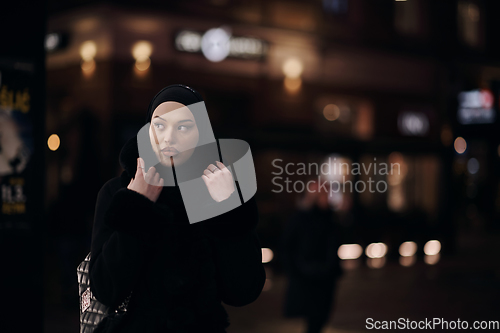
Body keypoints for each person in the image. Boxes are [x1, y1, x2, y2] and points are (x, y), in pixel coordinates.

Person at [89, 84, 266, 333]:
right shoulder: (119, 191)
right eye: (159, 125)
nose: (168, 137)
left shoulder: (219, 189)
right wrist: (137, 206)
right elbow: (105, 289)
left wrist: (227, 207)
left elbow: (243, 291)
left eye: (183, 126)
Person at [281, 180, 343, 333]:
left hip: (325, 277)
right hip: (308, 277)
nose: (327, 198)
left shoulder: (330, 218)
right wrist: (298, 269)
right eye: (323, 194)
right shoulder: (301, 219)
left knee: (320, 318)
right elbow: (288, 248)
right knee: (314, 320)